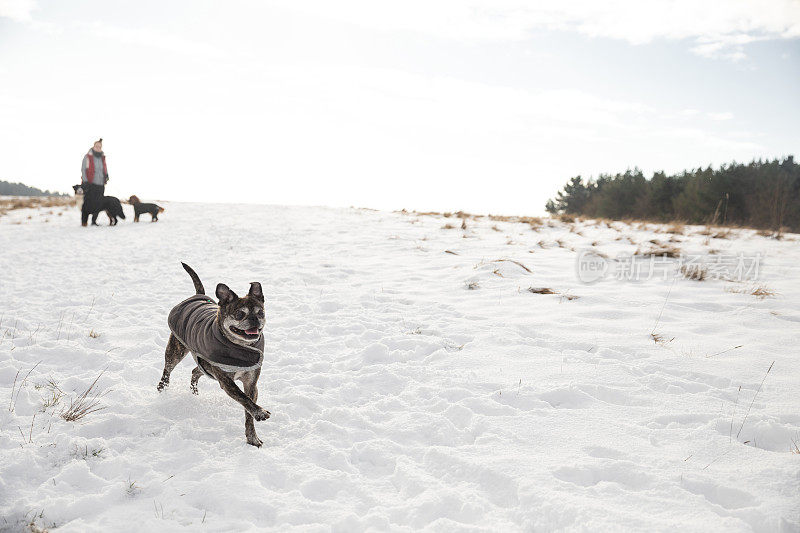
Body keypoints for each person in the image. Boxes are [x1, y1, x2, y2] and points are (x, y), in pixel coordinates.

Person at [80, 138, 109, 226]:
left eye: (100, 147)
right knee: (87, 203)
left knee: (98, 203)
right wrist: (85, 181)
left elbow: (104, 168)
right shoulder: (88, 156)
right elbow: (83, 169)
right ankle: (84, 222)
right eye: (97, 146)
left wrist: (106, 175)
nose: (98, 148)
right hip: (90, 183)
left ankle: (94, 221)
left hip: (100, 183)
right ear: (93, 146)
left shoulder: (102, 157)